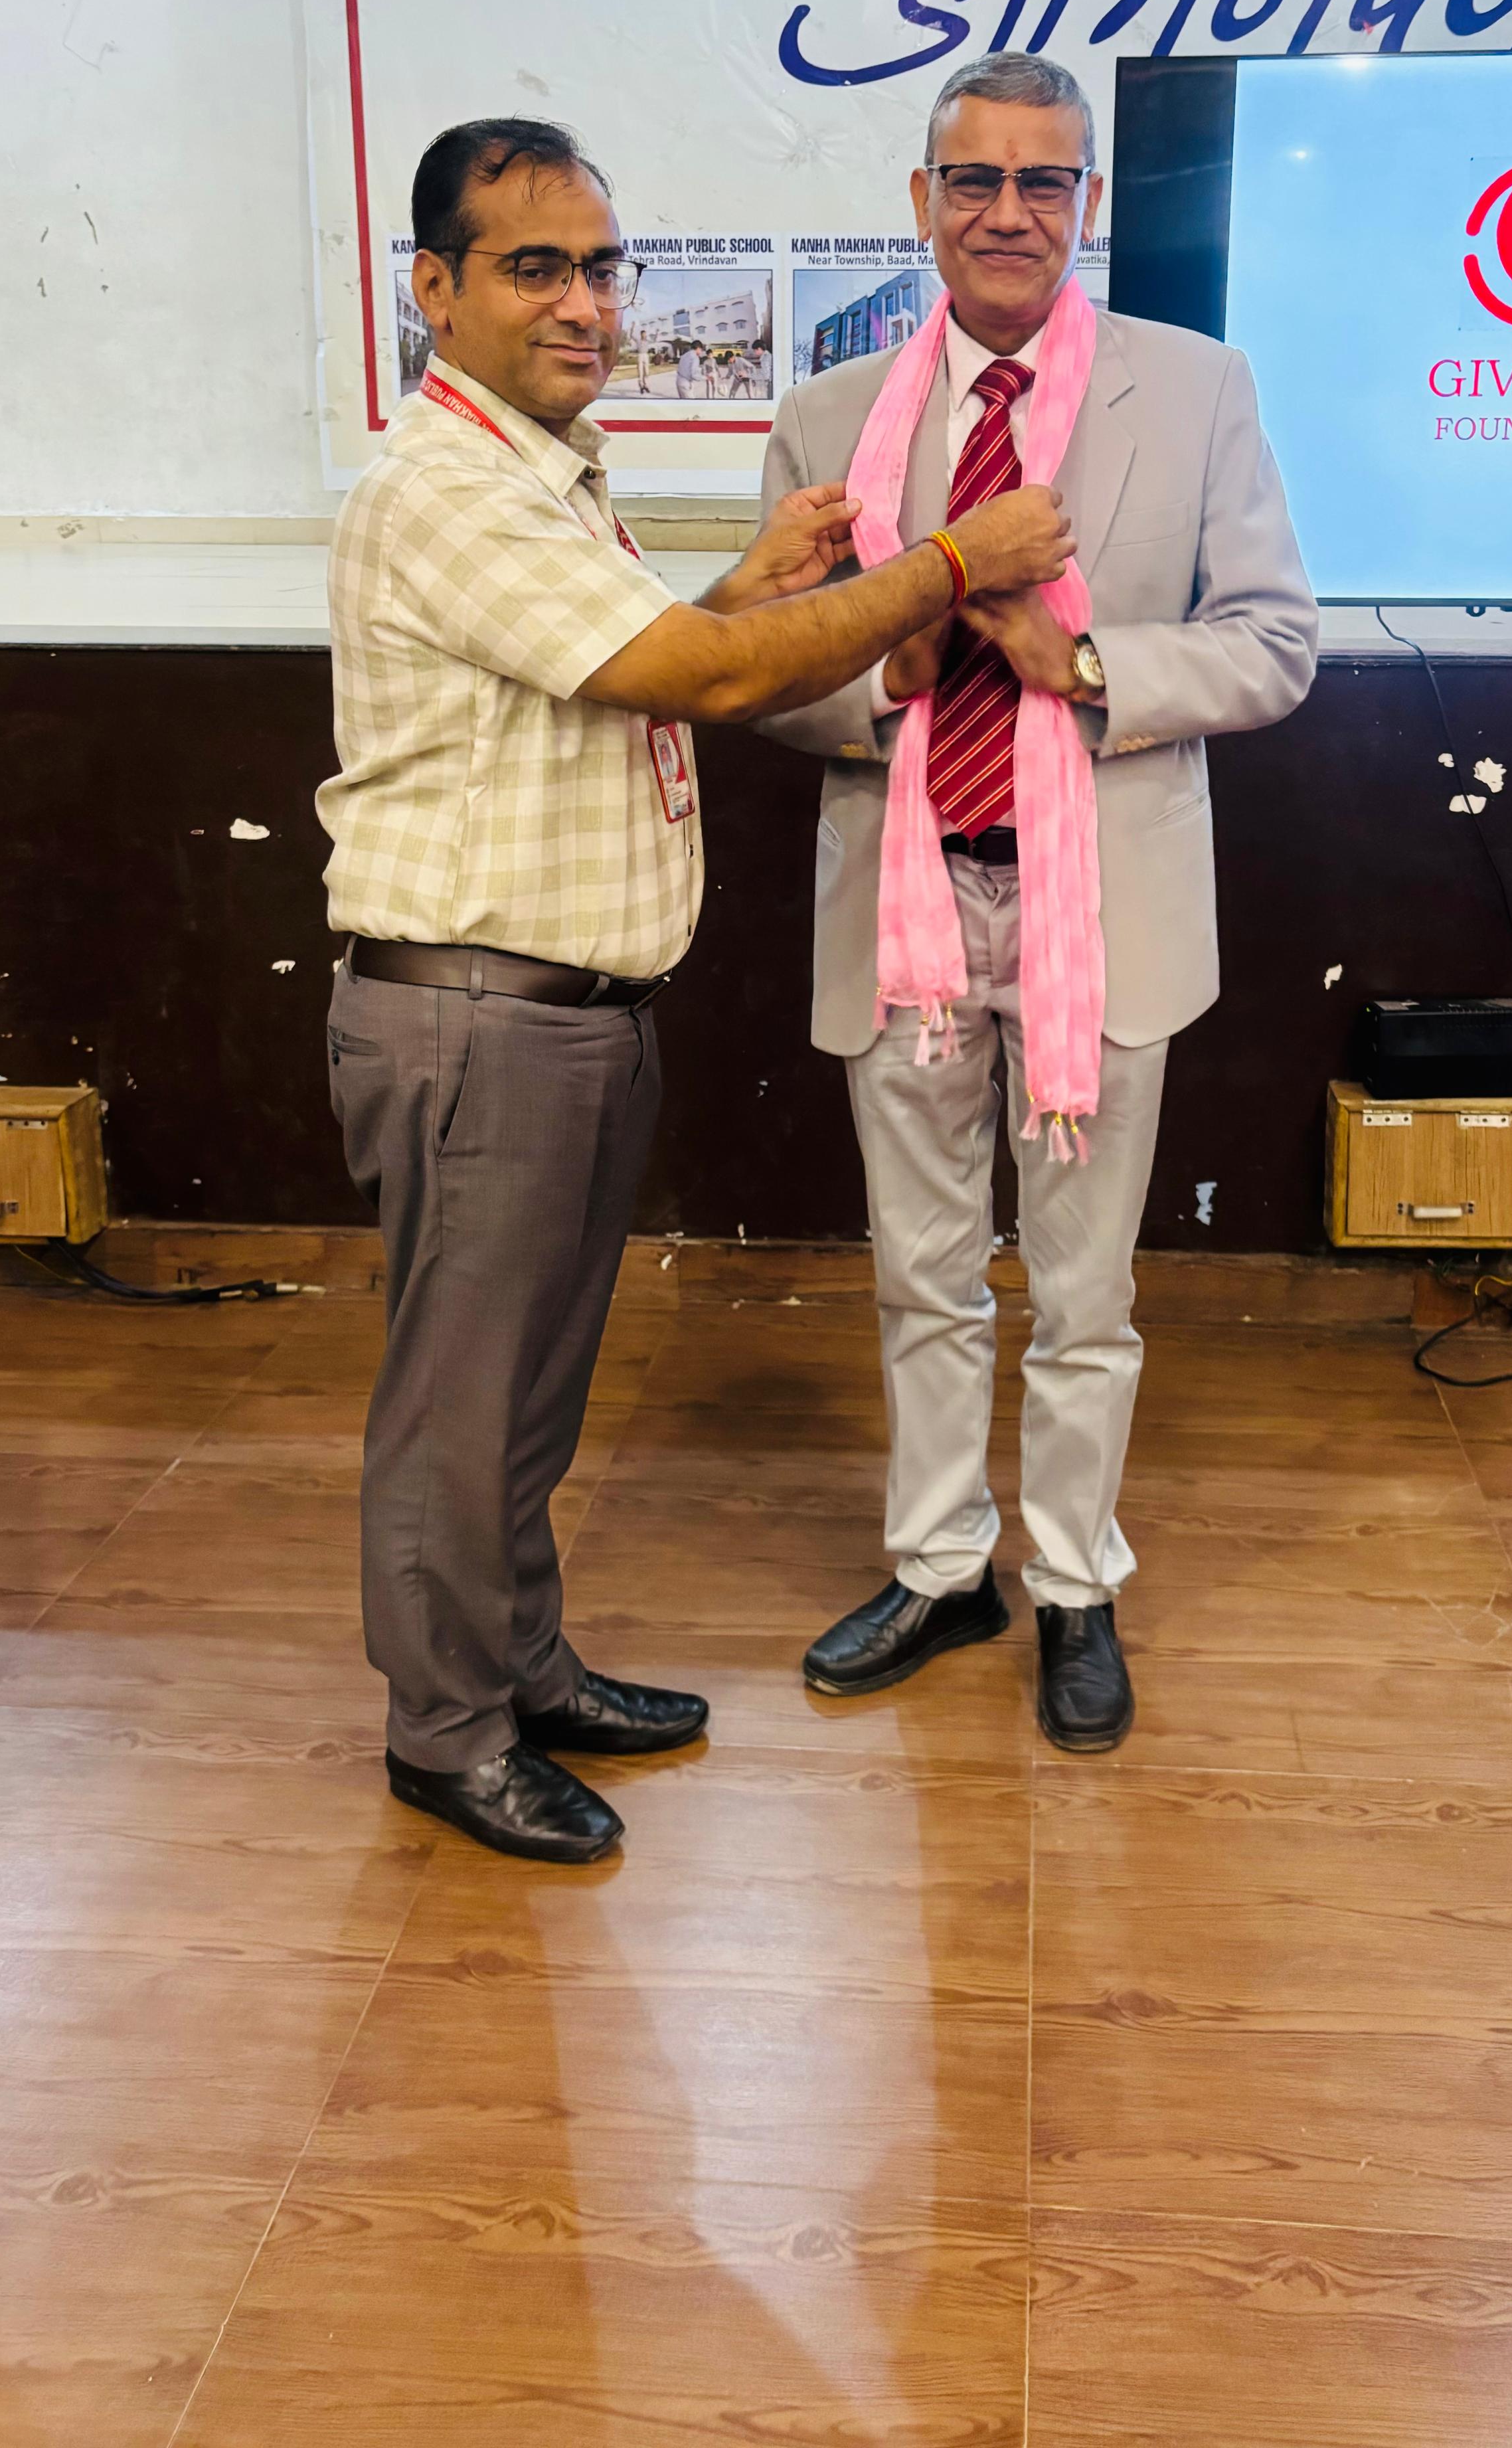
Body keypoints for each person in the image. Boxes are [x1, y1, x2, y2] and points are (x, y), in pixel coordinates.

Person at [319, 115, 1074, 1866]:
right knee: (460, 1404)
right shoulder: (445, 488)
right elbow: (707, 680)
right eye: (533, 267)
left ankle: (517, 1665)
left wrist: (740, 589)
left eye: (601, 267)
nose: (583, 303)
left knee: (527, 1394)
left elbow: (624, 675)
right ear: (432, 288)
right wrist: (951, 564)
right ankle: (445, 1735)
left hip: (558, 1018)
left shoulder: (542, 475)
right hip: (481, 1021)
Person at [758, 54, 1317, 1751]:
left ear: (1087, 203)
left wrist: (1079, 663)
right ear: (922, 201)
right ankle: (943, 1568)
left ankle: (1076, 1581)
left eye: (1044, 181)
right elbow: (764, 674)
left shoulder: (1196, 388)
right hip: (906, 907)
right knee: (920, 1269)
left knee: (1085, 1291)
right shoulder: (827, 417)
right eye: (975, 179)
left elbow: (1275, 644)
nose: (1008, 212)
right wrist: (890, 666)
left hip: (1104, 913)